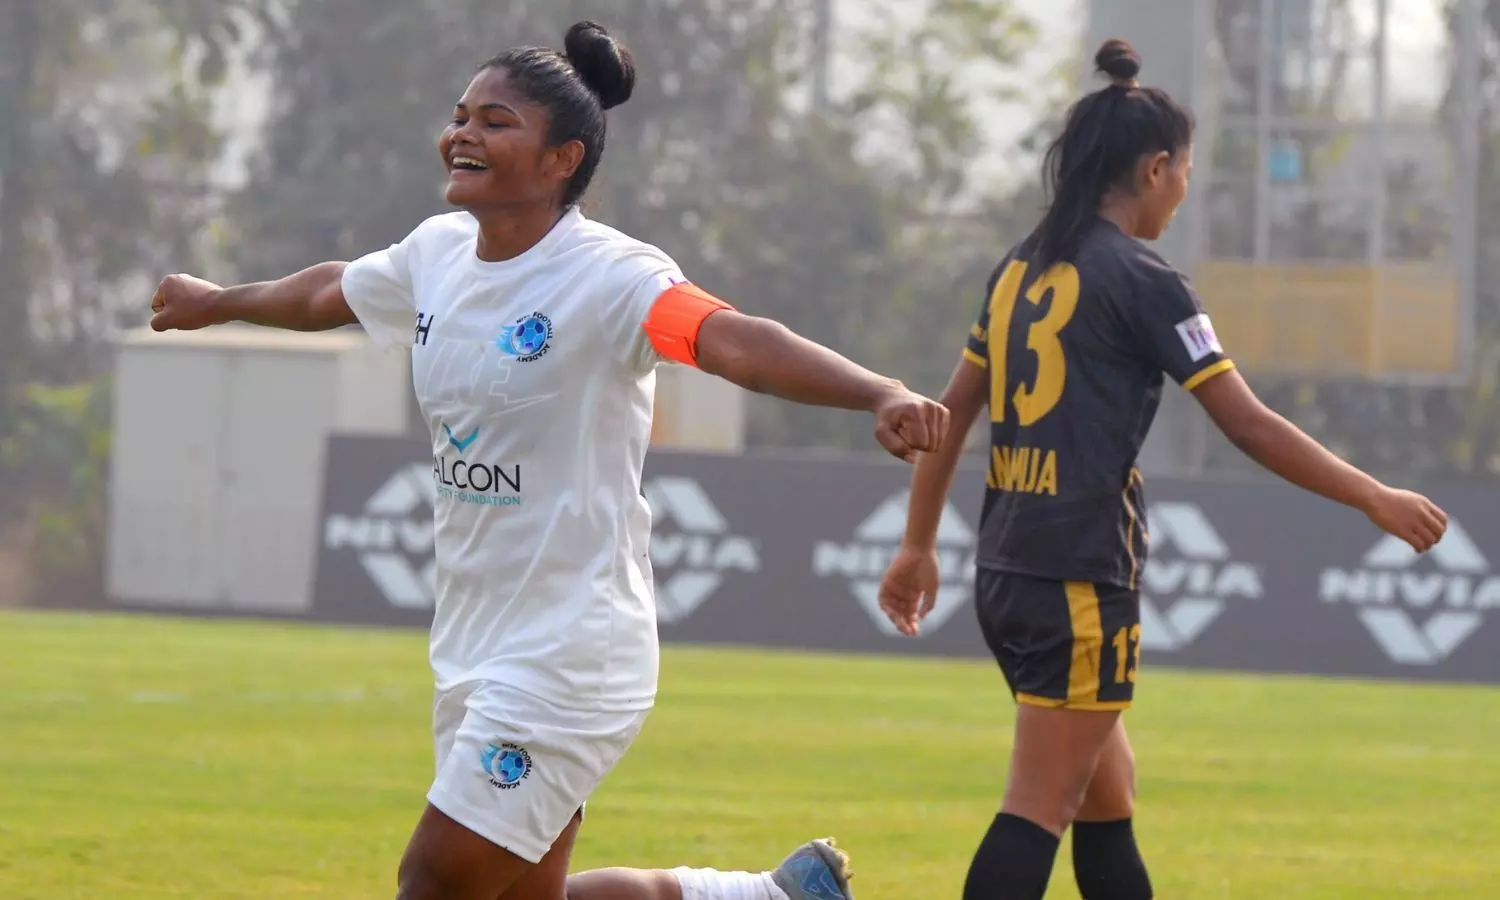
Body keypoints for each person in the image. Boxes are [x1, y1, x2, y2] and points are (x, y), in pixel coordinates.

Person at [150, 21, 949, 900]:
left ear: (562, 159)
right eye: (461, 116)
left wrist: (878, 391)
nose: (463, 134)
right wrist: (219, 301)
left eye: (495, 122)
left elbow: (734, 341)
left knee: (435, 883)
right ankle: (771, 896)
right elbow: (328, 291)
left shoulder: (611, 276)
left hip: (573, 650)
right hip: (473, 640)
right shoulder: (435, 253)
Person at [876, 38, 1449, 900]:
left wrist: (918, 544)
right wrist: (1373, 495)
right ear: (1154, 169)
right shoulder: (1146, 279)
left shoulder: (1020, 267)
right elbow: (1247, 424)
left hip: (1009, 569)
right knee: (1038, 805)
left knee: (1107, 798)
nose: (1184, 189)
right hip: (1076, 578)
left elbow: (946, 416)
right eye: (1184, 171)